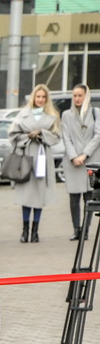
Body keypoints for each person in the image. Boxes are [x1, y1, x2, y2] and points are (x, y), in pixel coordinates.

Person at [8, 84, 61, 243]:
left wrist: (42, 134)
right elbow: (13, 135)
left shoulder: (53, 115)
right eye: (38, 96)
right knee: (26, 195)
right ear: (33, 97)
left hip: (43, 158)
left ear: (47, 99)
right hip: (26, 158)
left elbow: (57, 137)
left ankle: (35, 231)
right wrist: (28, 137)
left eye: (43, 97)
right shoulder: (23, 114)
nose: (40, 100)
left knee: (39, 195)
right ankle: (25, 231)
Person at [61, 83, 100, 241]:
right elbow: (66, 137)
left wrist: (84, 155)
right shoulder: (66, 115)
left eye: (80, 95)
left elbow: (98, 135)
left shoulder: (95, 113)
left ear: (86, 96)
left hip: (90, 160)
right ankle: (76, 229)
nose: (77, 98)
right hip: (73, 162)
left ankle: (85, 229)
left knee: (89, 196)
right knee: (74, 197)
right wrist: (74, 156)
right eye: (75, 95)